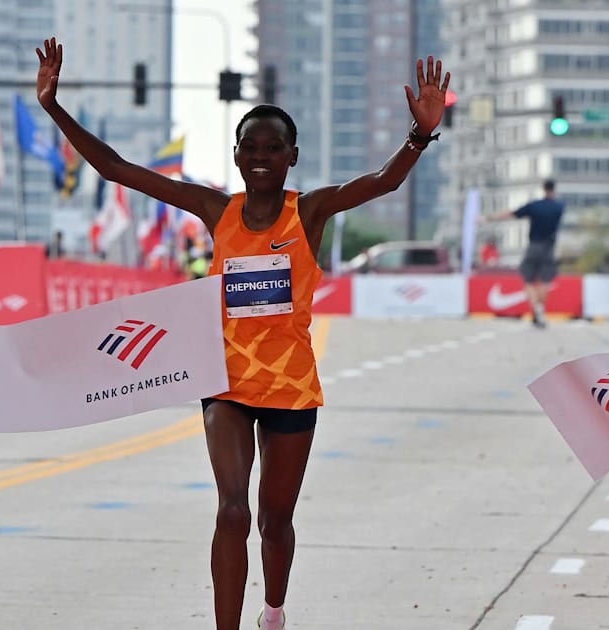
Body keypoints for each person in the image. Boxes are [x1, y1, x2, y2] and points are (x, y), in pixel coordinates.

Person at [36, 37, 449, 630]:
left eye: (273, 148)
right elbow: (117, 170)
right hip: (224, 382)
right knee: (231, 512)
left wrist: (418, 135)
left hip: (290, 390)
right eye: (250, 147)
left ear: (292, 156)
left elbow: (382, 182)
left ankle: (273, 610)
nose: (261, 156)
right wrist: (53, 107)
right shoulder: (215, 211)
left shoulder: (309, 212)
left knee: (272, 522)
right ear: (235, 155)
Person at [487, 179, 565, 328]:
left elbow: (512, 213)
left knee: (528, 280)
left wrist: (489, 218)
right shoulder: (559, 207)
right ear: (554, 189)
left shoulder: (535, 206)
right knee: (544, 281)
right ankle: (541, 309)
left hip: (534, 246)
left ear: (543, 188)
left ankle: (536, 307)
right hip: (549, 248)